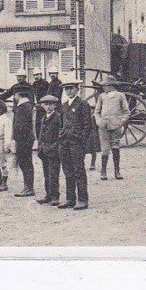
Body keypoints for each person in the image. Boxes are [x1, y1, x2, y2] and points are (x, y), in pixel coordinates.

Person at [58, 81, 92, 210]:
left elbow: (87, 126)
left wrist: (81, 141)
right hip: (65, 142)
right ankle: (70, 198)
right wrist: (61, 136)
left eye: (71, 88)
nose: (68, 91)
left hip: (77, 143)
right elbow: (61, 124)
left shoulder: (83, 104)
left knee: (79, 171)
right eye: (66, 89)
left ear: (77, 89)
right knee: (68, 171)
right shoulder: (64, 105)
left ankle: (83, 200)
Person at [94, 76, 130, 180]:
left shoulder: (120, 96)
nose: (104, 87)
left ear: (111, 85)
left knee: (115, 147)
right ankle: (103, 171)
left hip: (116, 125)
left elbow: (126, 111)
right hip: (103, 125)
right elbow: (97, 111)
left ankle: (117, 171)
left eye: (105, 85)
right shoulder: (101, 96)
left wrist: (122, 121)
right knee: (105, 149)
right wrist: (98, 121)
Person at [36, 94, 62, 205]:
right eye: (46, 104)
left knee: (54, 174)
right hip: (44, 150)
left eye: (51, 104)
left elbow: (61, 134)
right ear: (42, 105)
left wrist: (55, 146)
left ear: (55, 105)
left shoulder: (58, 117)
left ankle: (55, 196)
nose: (48, 107)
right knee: (46, 174)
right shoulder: (44, 117)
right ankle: (48, 194)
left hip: (54, 151)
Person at [12, 90, 36, 197]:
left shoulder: (23, 107)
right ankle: (27, 186)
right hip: (24, 139)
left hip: (23, 140)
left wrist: (16, 138)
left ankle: (29, 188)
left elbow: (21, 126)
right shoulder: (26, 105)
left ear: (18, 95)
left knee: (25, 163)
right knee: (25, 163)